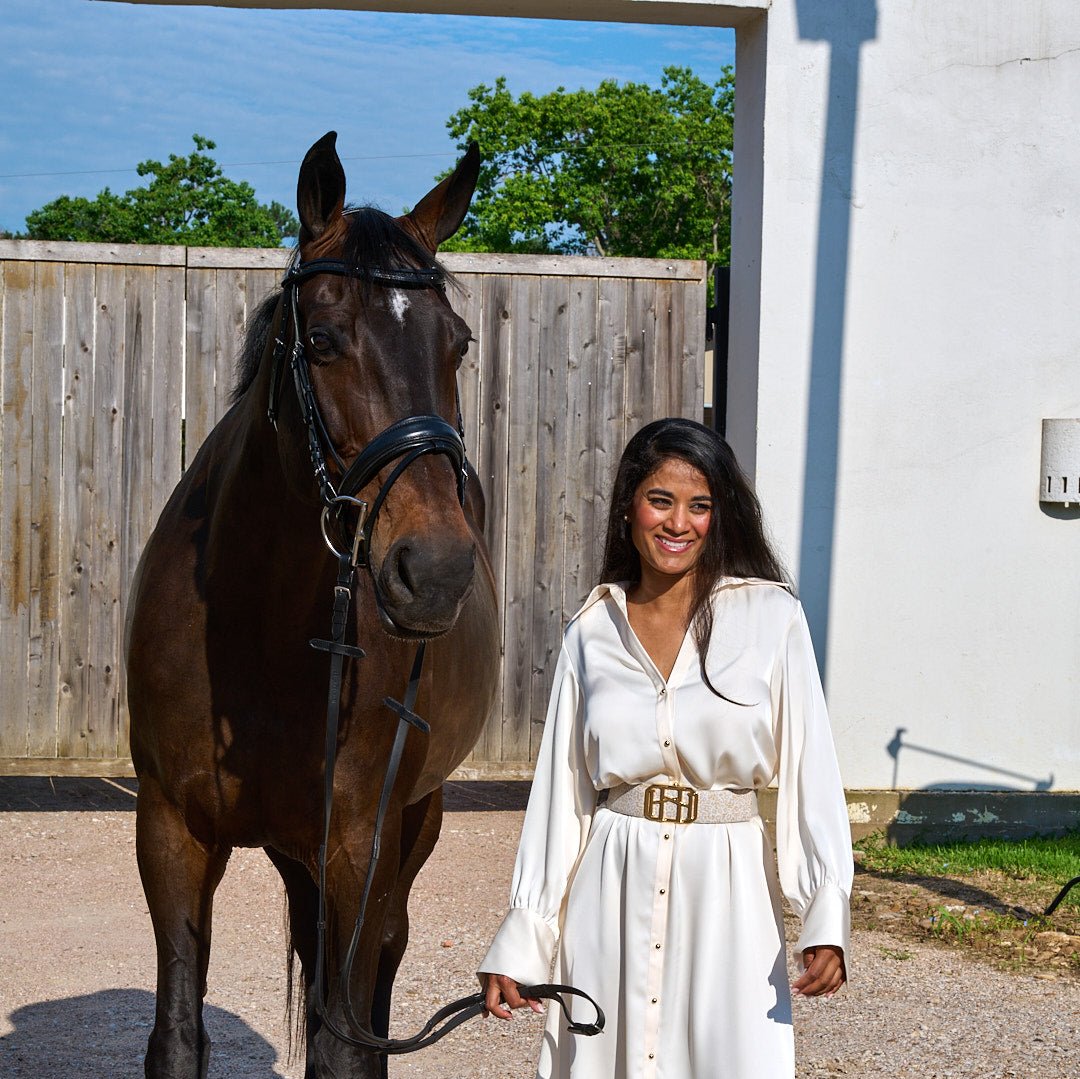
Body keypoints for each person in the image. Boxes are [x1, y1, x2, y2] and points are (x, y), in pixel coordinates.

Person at [478, 417, 853, 1079]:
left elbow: (809, 775)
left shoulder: (771, 619)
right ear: (629, 508)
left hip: (729, 887)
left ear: (720, 516)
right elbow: (562, 796)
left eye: (700, 505)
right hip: (610, 883)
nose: (679, 522)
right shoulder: (591, 630)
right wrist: (525, 935)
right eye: (661, 500)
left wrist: (824, 911)